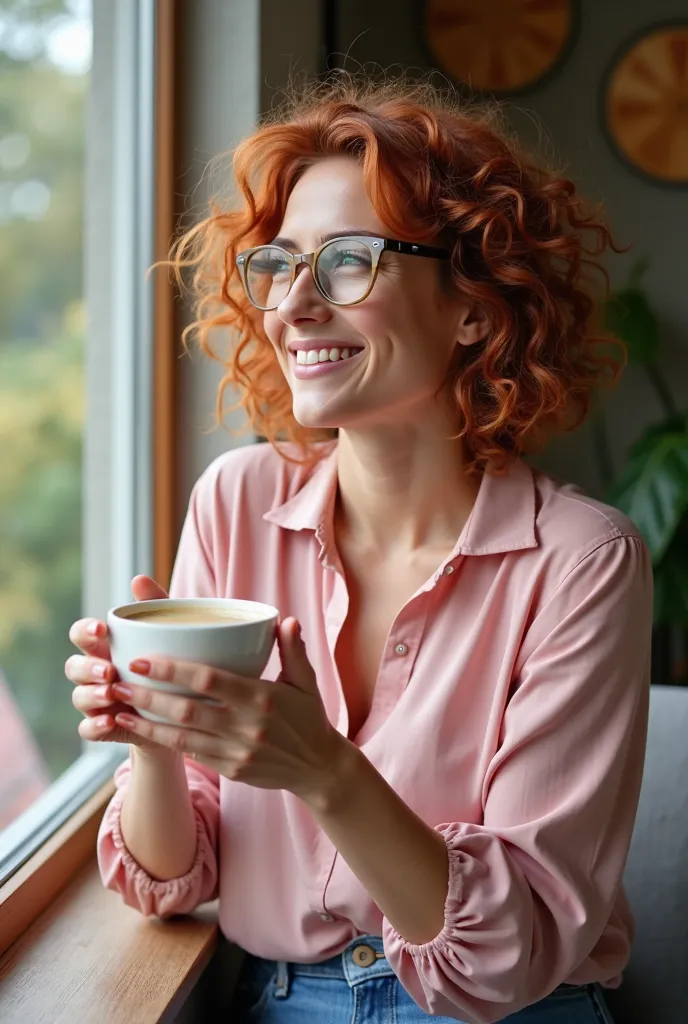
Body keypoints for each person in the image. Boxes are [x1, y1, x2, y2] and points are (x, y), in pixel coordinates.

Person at [65, 76, 653, 1024]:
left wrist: (323, 769)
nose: (293, 304)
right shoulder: (234, 500)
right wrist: (157, 741)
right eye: (279, 263)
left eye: (348, 261)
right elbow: (172, 875)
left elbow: (510, 957)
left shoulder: (582, 563)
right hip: (280, 999)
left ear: (474, 306)